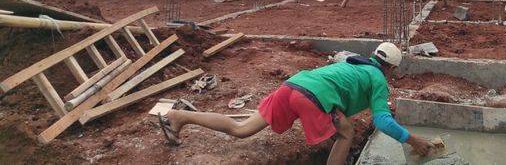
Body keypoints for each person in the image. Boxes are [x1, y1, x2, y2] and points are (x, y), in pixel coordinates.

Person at [159, 42, 434, 164]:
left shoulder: (355, 63)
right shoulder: (378, 78)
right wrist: (413, 140)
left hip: (293, 86)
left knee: (241, 129)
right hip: (312, 97)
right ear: (392, 68)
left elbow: (335, 88)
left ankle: (178, 117)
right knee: (347, 132)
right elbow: (383, 120)